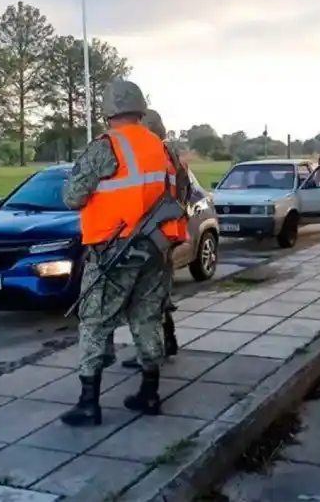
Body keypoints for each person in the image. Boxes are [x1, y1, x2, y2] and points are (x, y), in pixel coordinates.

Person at [60, 80, 187, 426]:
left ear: (108, 111)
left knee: (95, 322)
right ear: (140, 108)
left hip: (113, 250)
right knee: (148, 318)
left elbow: (72, 197)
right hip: (157, 249)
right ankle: (150, 394)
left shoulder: (105, 147)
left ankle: (89, 404)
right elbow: (182, 194)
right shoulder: (165, 150)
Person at [120, 108, 189, 370]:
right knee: (159, 294)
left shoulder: (155, 156)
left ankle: (149, 354)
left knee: (145, 299)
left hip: (155, 234)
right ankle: (167, 342)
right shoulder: (171, 156)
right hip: (168, 233)